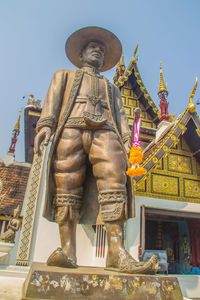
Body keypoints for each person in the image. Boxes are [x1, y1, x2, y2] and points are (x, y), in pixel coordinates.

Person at [34, 26, 158, 273]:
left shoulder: (111, 88)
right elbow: (52, 103)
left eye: (102, 50)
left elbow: (121, 116)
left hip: (105, 131)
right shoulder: (64, 76)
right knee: (67, 185)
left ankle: (116, 252)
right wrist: (46, 125)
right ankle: (68, 250)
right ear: (81, 54)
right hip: (71, 128)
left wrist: (127, 141)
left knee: (115, 181)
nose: (98, 52)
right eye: (93, 48)